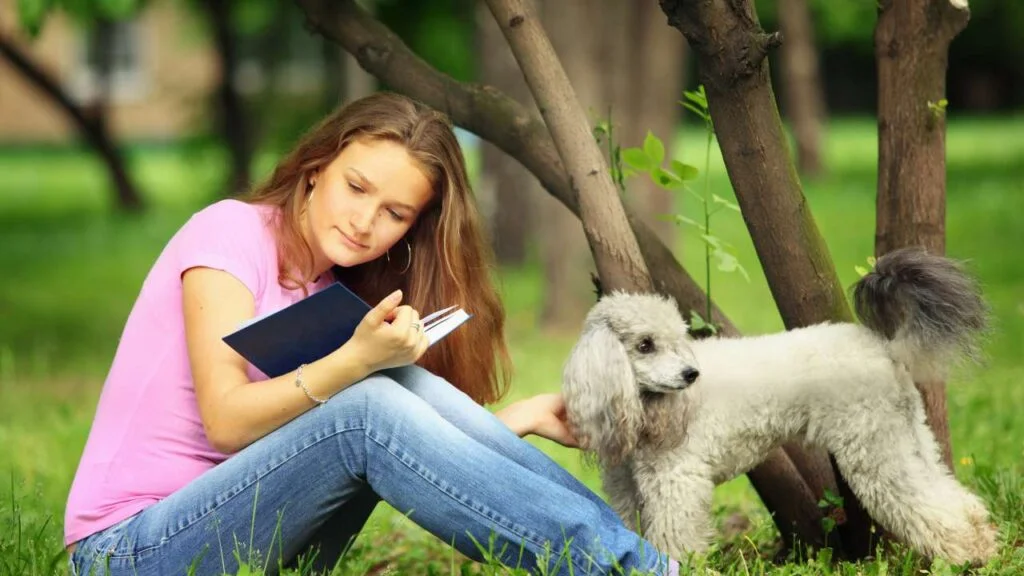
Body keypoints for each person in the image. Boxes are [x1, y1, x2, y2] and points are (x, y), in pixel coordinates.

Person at [63, 92, 680, 576]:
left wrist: (512, 420)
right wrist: (355, 362)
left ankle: (635, 556)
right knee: (366, 401)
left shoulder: (329, 292)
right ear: (315, 169)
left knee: (390, 381)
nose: (364, 222)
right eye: (356, 187)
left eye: (395, 213)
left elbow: (359, 447)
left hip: (239, 537)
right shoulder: (227, 233)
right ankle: (627, 569)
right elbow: (226, 422)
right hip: (132, 552)